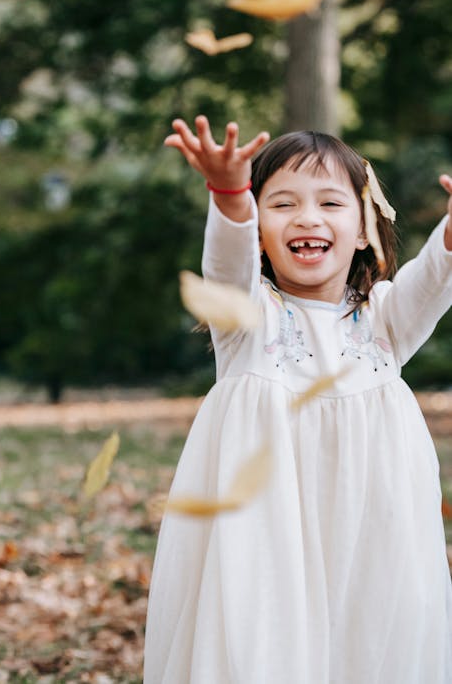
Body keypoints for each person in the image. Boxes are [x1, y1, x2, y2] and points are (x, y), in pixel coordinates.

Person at [144, 115, 452, 684]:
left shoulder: (387, 319)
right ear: (259, 229)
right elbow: (225, 263)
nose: (307, 217)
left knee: (368, 638)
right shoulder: (246, 318)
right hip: (266, 535)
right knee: (263, 642)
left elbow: (433, 277)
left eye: (331, 203)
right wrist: (230, 193)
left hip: (372, 535)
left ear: (364, 228)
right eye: (282, 204)